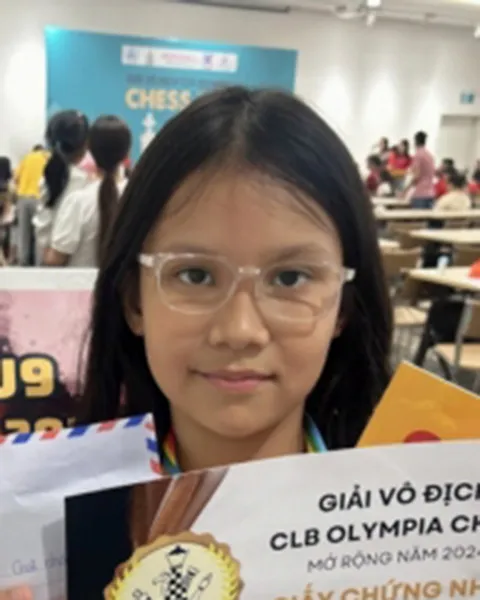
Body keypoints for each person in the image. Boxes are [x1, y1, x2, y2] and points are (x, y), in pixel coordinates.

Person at [0, 87, 392, 600]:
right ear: (134, 301)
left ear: (343, 306)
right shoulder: (44, 536)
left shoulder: (411, 531)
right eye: (195, 275)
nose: (240, 330)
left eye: (291, 278)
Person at [44, 116, 132, 267]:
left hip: (80, 282)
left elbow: (55, 259)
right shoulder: (137, 197)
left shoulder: (77, 201)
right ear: (127, 153)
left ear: (89, 149)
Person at [33, 111, 89, 264]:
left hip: (48, 263)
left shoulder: (46, 179)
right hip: (80, 266)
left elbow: (42, 228)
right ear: (86, 145)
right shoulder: (86, 183)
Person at [14, 144, 49, 265]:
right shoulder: (46, 157)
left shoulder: (26, 158)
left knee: (23, 233)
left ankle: (23, 261)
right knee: (39, 233)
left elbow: (16, 178)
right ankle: (39, 263)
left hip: (23, 197)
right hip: (39, 198)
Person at [406, 131, 435, 209]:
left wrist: (405, 191)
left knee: (417, 216)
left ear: (415, 141)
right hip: (431, 193)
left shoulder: (418, 155)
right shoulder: (429, 155)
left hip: (420, 194)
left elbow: (416, 176)